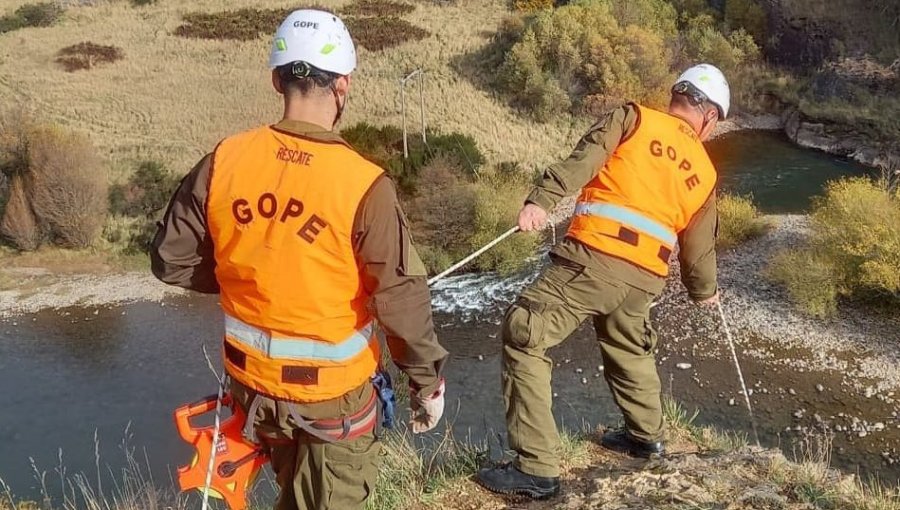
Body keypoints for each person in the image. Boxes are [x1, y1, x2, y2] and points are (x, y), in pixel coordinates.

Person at [150, 10, 449, 510]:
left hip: (251, 391)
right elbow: (398, 296)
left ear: (276, 78)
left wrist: (255, 272)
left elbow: (171, 260)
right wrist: (427, 382)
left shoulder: (225, 159)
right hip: (332, 403)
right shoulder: (362, 183)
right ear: (344, 85)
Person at [475, 64, 729, 500]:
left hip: (595, 257)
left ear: (679, 97)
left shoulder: (634, 119)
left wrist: (541, 201)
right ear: (709, 115)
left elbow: (584, 159)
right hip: (645, 278)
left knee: (525, 331)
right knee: (629, 346)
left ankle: (536, 468)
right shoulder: (705, 174)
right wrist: (704, 291)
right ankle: (645, 437)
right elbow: (698, 248)